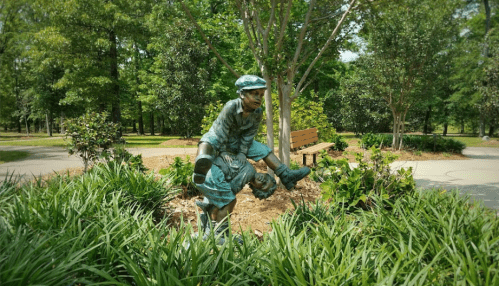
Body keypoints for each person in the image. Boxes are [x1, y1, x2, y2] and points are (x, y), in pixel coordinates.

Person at [192, 75, 310, 242]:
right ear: (242, 94)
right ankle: (202, 160)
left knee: (260, 147)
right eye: (254, 93)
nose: (259, 98)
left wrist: (241, 153)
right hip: (221, 140)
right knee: (209, 140)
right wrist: (224, 153)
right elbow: (221, 131)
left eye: (261, 95)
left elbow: (249, 135)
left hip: (237, 142)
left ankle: (284, 174)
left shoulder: (257, 112)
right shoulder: (231, 106)